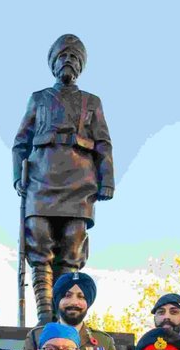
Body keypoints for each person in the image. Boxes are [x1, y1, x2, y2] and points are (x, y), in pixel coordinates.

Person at [13, 33, 114, 323]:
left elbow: (104, 143)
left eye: (74, 57)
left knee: (72, 245)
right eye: (63, 57)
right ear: (54, 64)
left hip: (80, 180)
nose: (68, 61)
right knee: (39, 242)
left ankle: (65, 314)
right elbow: (21, 141)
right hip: (41, 178)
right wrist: (17, 176)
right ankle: (45, 314)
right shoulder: (39, 98)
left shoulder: (92, 102)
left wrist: (107, 178)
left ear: (80, 66)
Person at [13, 271, 119, 350]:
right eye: (67, 296)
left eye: (81, 297)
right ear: (58, 300)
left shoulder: (104, 342)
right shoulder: (36, 337)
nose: (74, 302)